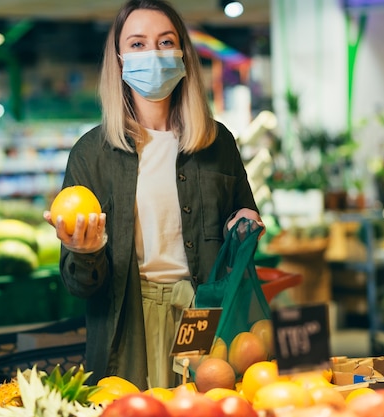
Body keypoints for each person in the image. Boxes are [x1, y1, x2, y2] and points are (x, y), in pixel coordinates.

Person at [44, 0, 264, 390]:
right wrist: (84, 251)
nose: (154, 55)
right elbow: (80, 287)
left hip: (202, 318)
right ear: (120, 59)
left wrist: (245, 226)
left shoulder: (219, 143)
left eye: (165, 42)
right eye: (138, 44)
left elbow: (243, 223)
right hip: (126, 323)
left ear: (183, 53)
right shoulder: (91, 154)